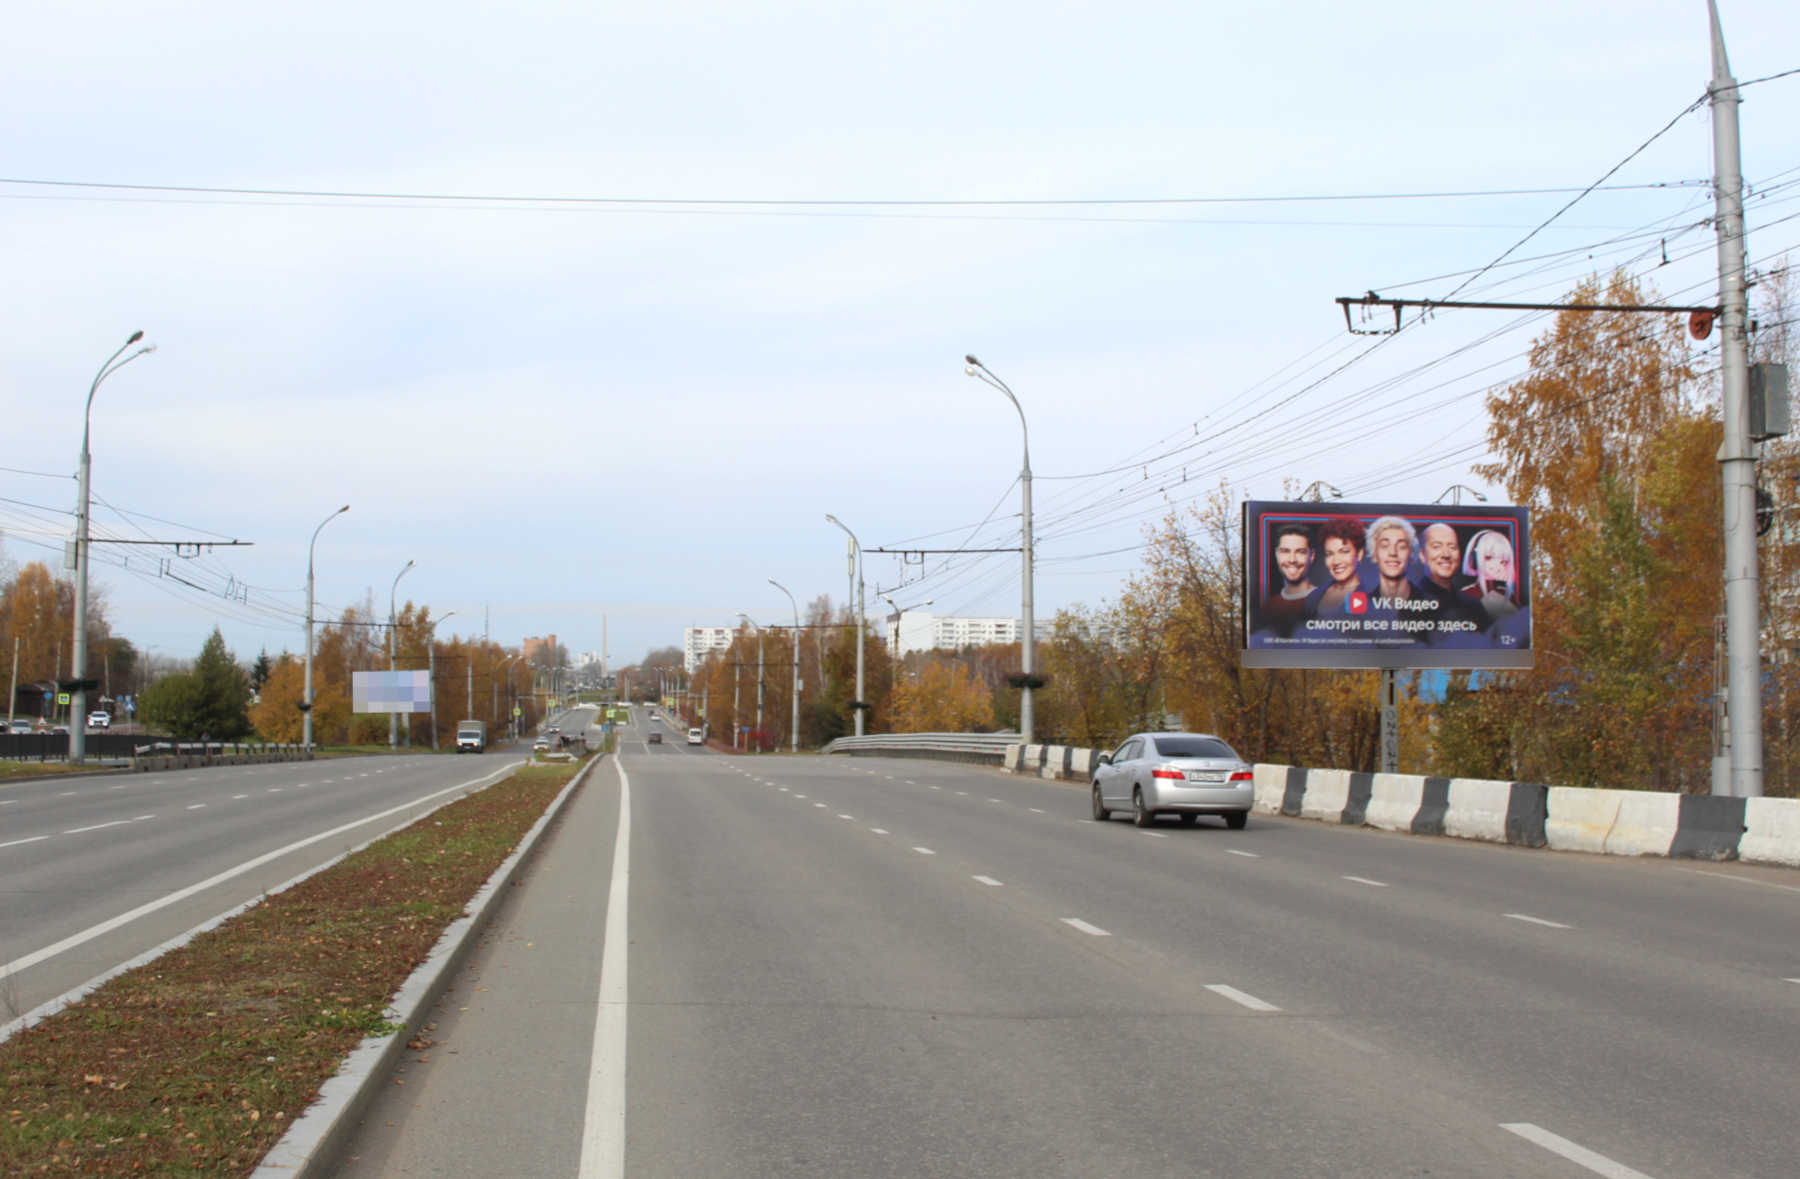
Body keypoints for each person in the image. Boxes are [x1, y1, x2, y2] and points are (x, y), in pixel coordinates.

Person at [1416, 522, 1490, 643]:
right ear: (1422, 555)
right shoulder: (1408, 605)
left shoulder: (1473, 606)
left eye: (1452, 547)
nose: (1446, 554)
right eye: (1436, 546)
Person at [1258, 523, 1315, 636]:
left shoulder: (1328, 600)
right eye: (1285, 551)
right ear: (1277, 554)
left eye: (1300, 552)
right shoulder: (1269, 606)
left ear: (1312, 556)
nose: (1292, 559)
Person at [1305, 516, 1368, 617]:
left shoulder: (1371, 600)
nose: (1336, 562)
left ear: (1359, 554)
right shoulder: (1315, 596)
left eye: (1344, 552)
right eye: (1329, 554)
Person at [1461, 530, 1521, 621]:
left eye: (1503, 562)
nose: (1498, 566)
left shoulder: (1507, 595)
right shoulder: (1466, 595)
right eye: (1490, 558)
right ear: (1475, 557)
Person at [1365, 516, 1417, 602]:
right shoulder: (1365, 606)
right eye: (1385, 546)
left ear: (1411, 556)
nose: (1393, 553)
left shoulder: (1431, 605)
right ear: (1374, 555)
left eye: (1401, 547)